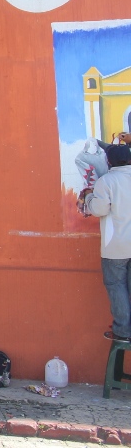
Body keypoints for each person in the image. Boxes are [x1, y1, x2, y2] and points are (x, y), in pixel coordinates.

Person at [84, 144, 131, 342]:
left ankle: (123, 331)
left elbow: (99, 209)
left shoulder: (106, 181)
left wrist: (89, 197)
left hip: (116, 246)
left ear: (109, 161)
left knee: (116, 285)